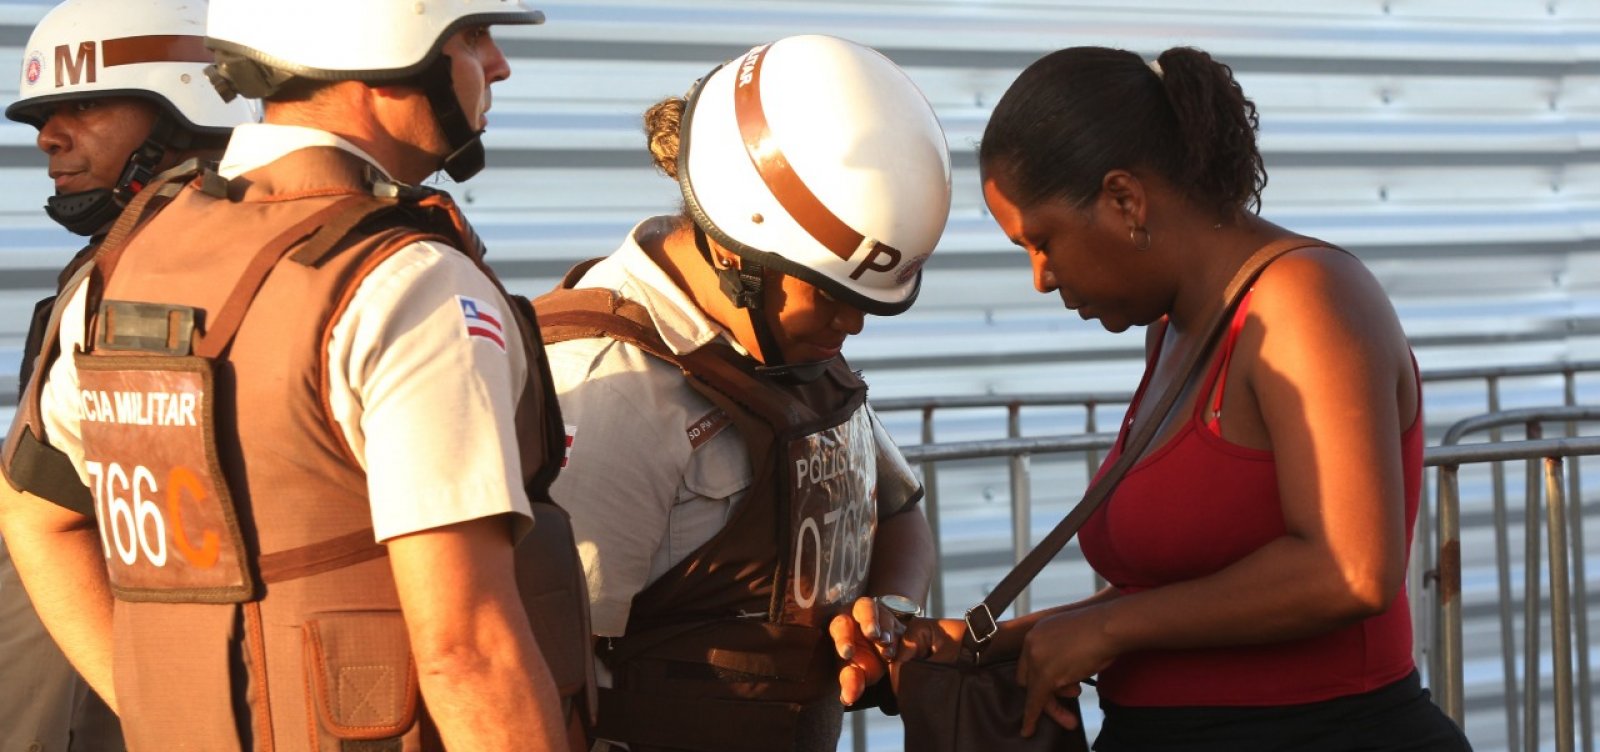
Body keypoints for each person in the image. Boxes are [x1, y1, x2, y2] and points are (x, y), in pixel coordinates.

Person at [0, 0, 587, 749]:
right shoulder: (406, 281)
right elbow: (467, 649)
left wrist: (156, 708)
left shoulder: (119, 269)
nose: (497, 65)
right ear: (390, 51)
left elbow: (34, 513)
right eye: (473, 37)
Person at [897, 46, 1473, 751]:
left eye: (1043, 241)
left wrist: (1104, 629)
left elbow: (1348, 571)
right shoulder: (1173, 331)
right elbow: (1189, 592)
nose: (1040, 278)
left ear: (1124, 199)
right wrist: (1003, 640)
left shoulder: (1306, 302)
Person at [533, 34, 946, 752]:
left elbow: (899, 508)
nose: (851, 326)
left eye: (867, 303)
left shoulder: (791, 351)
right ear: (737, 255)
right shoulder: (612, 390)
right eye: (829, 297)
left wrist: (890, 613)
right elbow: (537, 667)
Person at [1, 1, 253, 749]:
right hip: (92, 675)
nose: (49, 136)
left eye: (81, 105)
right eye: (47, 114)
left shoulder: (193, 258)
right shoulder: (125, 267)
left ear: (186, 106)